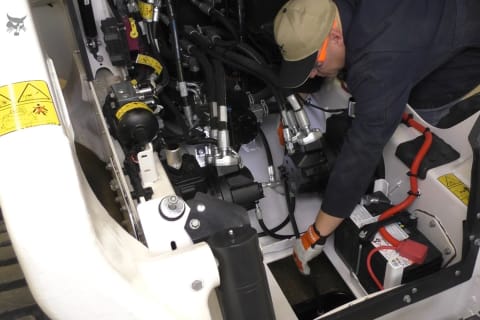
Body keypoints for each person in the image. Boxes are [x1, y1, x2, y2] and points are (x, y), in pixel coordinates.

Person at [273, 0, 480, 275]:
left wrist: (317, 234)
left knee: (422, 103)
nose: (312, 72)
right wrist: (295, 105)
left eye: (314, 64)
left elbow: (361, 153)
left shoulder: (379, 64)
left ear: (335, 35)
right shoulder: (330, 12)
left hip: (467, 20)